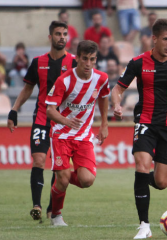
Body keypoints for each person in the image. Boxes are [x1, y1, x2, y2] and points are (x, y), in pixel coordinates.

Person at [111, 19, 167, 239]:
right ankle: (144, 226)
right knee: (142, 166)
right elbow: (118, 89)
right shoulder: (138, 63)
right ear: (155, 39)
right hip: (145, 123)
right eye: (166, 39)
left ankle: (140, 184)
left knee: (161, 182)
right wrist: (116, 104)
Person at [7, 21, 77, 221]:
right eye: (58, 34)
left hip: (62, 122)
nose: (62, 37)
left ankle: (50, 207)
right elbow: (28, 88)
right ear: (50, 37)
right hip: (42, 118)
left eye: (64, 34)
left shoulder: (73, 62)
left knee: (59, 166)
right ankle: (36, 205)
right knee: (38, 160)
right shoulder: (38, 62)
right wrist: (14, 110)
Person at [46, 40, 110, 226]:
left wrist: (104, 123)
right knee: (64, 180)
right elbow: (50, 110)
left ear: (96, 59)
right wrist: (66, 121)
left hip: (83, 137)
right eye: (85, 59)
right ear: (77, 58)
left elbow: (104, 97)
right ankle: (56, 215)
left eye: (92, 59)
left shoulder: (101, 78)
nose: (88, 64)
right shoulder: (64, 80)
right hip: (61, 135)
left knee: (87, 180)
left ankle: (61, 178)